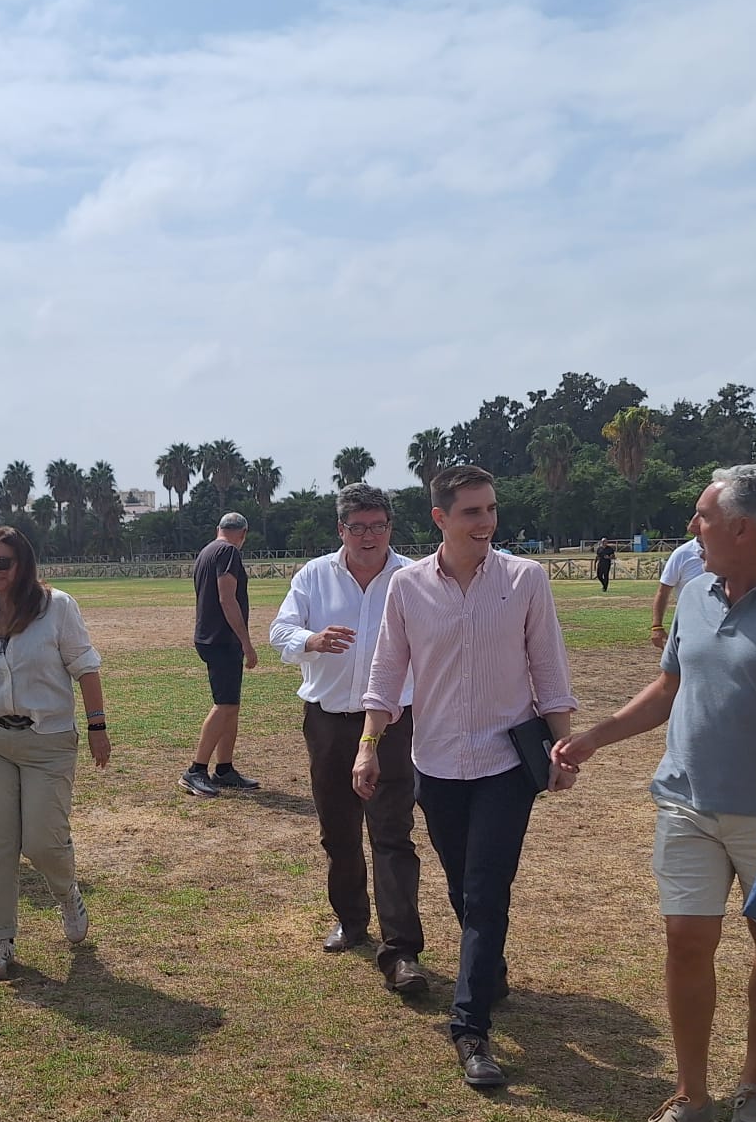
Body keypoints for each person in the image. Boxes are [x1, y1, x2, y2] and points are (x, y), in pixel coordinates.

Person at [552, 465, 756, 1122]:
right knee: (686, 941)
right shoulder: (695, 594)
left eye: (703, 516)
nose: (693, 526)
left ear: (741, 528)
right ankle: (691, 1096)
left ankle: (755, 1082)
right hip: (685, 803)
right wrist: (596, 737)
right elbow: (668, 688)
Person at [356, 465, 579, 1087]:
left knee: (485, 891)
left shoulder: (525, 579)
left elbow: (548, 667)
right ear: (440, 518)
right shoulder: (407, 587)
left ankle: (470, 1027)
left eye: (491, 509)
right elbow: (386, 673)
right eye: (472, 512)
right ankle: (489, 968)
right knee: (462, 884)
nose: (486, 522)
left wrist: (563, 748)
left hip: (505, 763)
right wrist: (368, 746)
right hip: (436, 763)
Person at [268, 484, 428, 994]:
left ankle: (401, 950)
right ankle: (351, 919)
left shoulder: (413, 578)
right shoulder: (314, 576)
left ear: (390, 527)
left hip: (394, 723)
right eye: (357, 527)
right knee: (338, 832)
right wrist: (310, 640)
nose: (368, 536)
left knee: (392, 832)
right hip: (329, 723)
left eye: (377, 525)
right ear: (341, 529)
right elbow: (279, 631)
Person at [0, 527, 110, 980]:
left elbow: (86, 667)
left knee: (42, 841)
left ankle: (67, 894)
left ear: (24, 565)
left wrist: (97, 727)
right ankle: (0, 941)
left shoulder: (57, 607)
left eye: (3, 562)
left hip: (47, 741)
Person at [184, 512, 260, 798]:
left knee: (231, 705)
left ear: (219, 528)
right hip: (222, 639)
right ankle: (196, 770)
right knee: (224, 705)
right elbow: (227, 598)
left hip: (209, 636)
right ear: (244, 533)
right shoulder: (229, 552)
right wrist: (246, 642)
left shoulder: (207, 551)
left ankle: (225, 769)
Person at [650, 536, 705, 649]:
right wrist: (657, 626)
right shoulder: (682, 554)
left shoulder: (732, 550)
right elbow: (663, 592)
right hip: (690, 627)